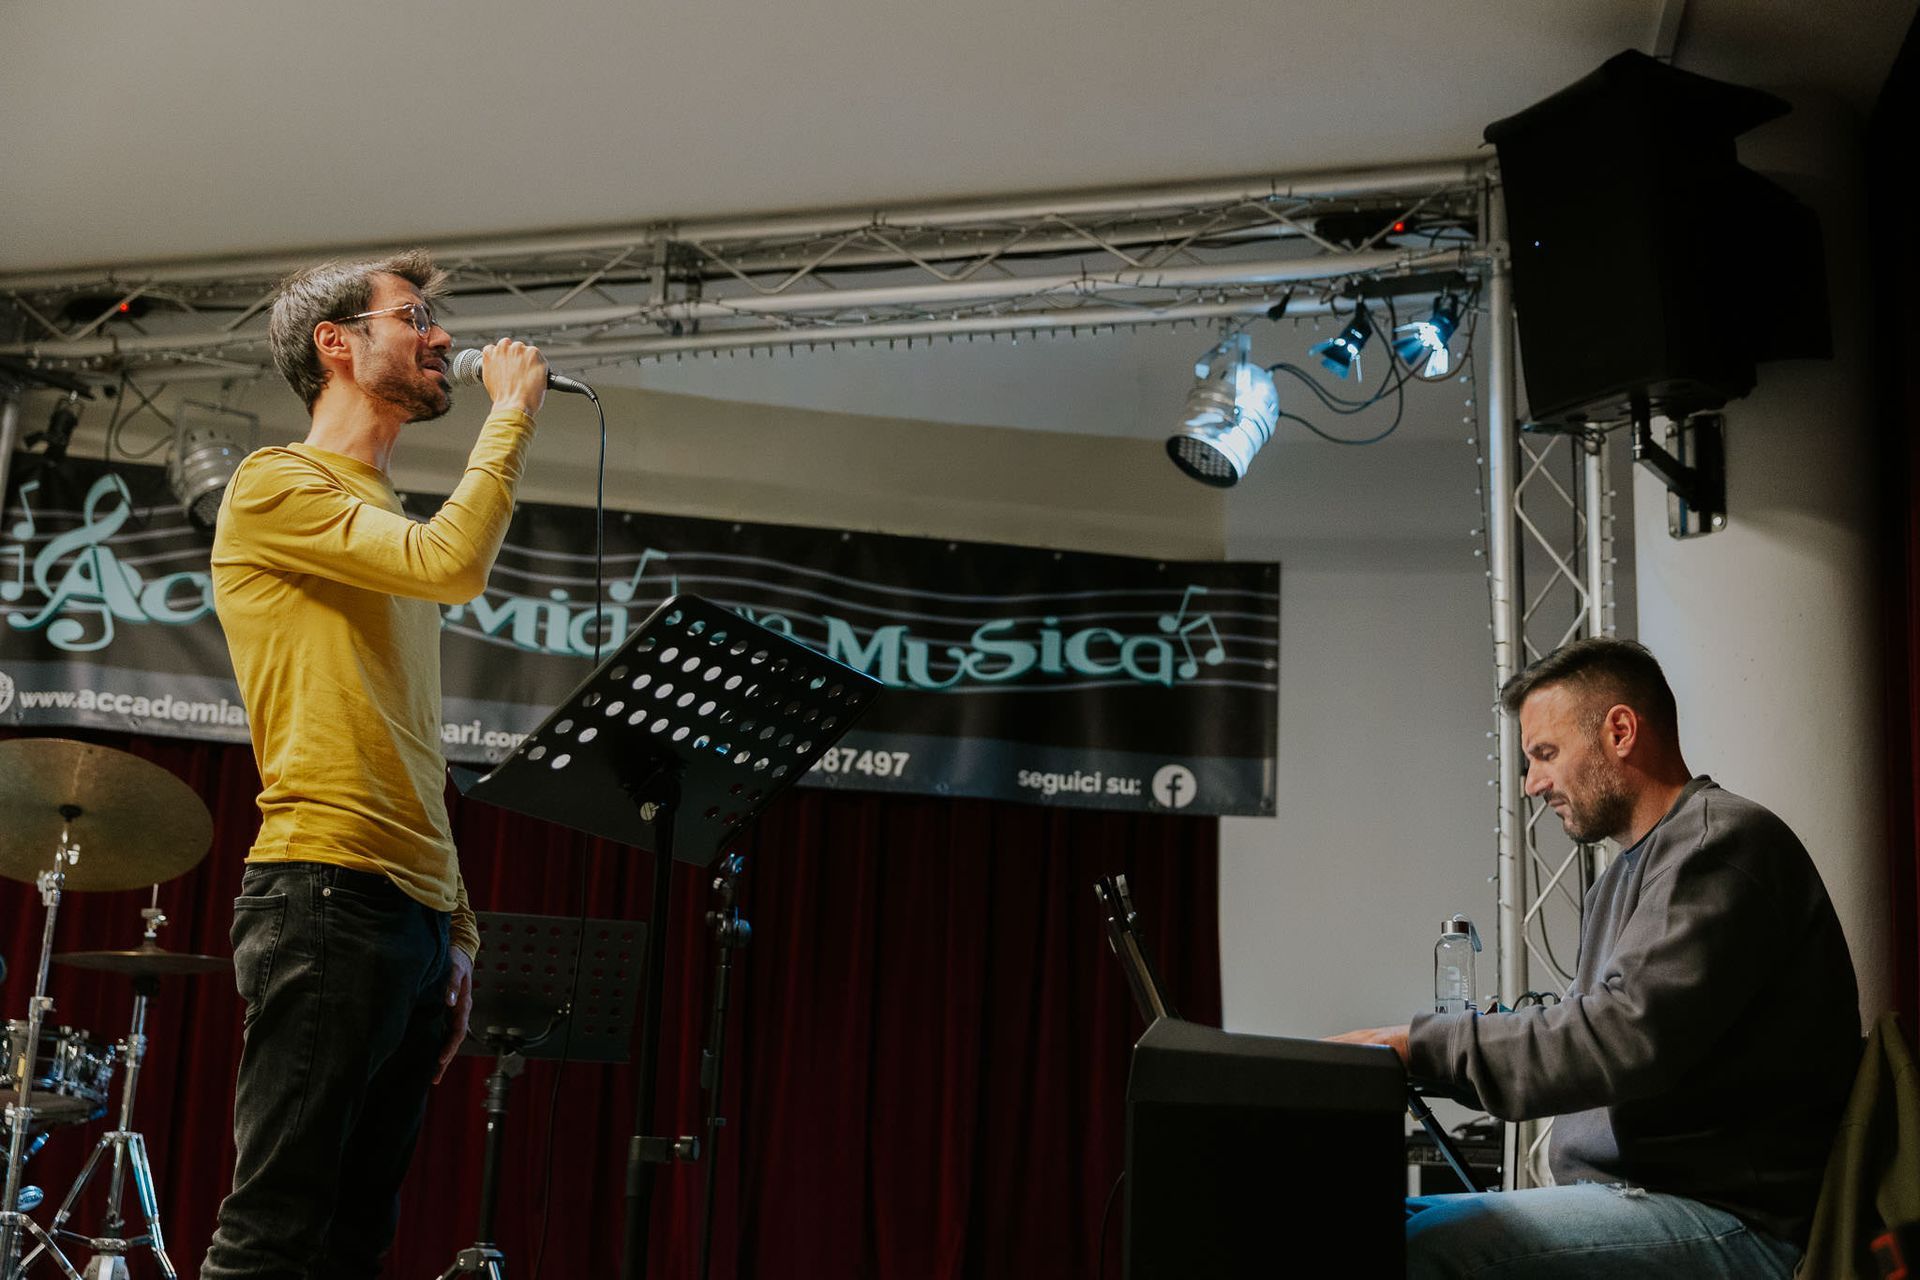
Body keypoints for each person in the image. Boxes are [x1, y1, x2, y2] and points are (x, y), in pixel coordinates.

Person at [202, 249, 548, 1278]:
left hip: (408, 911)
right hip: (322, 891)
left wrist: (458, 930)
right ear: (337, 344)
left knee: (353, 1243)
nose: (442, 336)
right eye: (415, 316)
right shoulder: (277, 485)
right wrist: (512, 414)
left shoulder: (380, 517)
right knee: (272, 1237)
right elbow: (457, 566)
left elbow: (408, 739)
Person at [1331, 637, 1861, 1279]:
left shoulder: (1719, 846)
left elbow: (1620, 1033)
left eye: (1544, 755)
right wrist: (1421, 1062)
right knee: (1368, 1227)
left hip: (1732, 1222)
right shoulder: (1627, 875)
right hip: (1648, 1200)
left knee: (1413, 1250)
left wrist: (1423, 1046)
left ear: (1619, 731)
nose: (1532, 785)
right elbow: (1595, 1026)